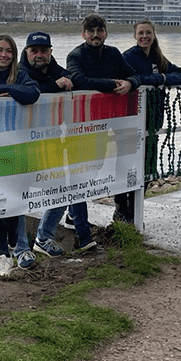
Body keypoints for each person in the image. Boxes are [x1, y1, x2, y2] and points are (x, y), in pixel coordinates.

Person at [19, 31, 97, 257]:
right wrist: (54, 86)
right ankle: (17, 249)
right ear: (27, 52)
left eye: (44, 50)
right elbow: (26, 91)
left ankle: (45, 236)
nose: (39, 55)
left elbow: (74, 84)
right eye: (34, 51)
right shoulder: (20, 71)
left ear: (51, 52)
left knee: (65, 184)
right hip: (24, 141)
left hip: (54, 138)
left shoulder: (58, 71)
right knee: (16, 191)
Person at [66, 13, 141, 223]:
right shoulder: (75, 56)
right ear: (84, 34)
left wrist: (130, 84)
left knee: (124, 161)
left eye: (99, 31)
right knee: (91, 166)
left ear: (106, 33)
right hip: (89, 121)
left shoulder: (114, 53)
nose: (95, 35)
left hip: (117, 118)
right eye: (91, 31)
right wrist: (112, 84)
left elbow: (133, 75)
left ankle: (120, 207)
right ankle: (75, 213)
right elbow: (78, 81)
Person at [0, 34, 40, 275]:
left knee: (15, 198)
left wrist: (5, 88)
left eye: (8, 51)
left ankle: (17, 246)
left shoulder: (22, 76)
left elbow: (32, 95)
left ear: (14, 55)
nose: (3, 55)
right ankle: (3, 253)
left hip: (16, 145)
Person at [123, 19, 181, 185]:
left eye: (148, 32)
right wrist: (157, 79)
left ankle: (139, 204)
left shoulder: (157, 56)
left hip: (154, 116)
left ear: (154, 34)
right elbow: (132, 79)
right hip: (133, 117)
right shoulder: (128, 57)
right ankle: (123, 207)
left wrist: (163, 78)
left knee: (149, 165)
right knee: (129, 164)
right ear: (134, 36)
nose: (145, 36)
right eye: (141, 33)